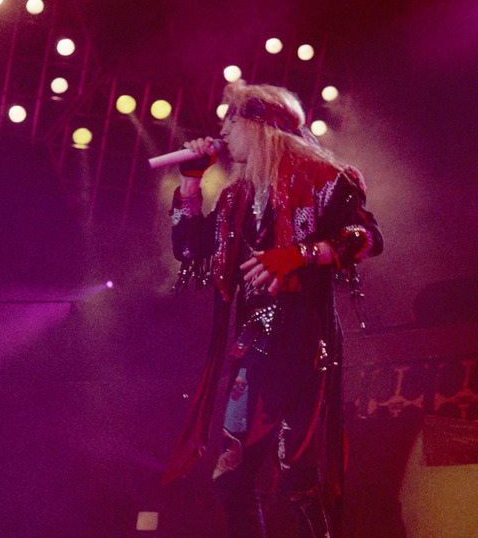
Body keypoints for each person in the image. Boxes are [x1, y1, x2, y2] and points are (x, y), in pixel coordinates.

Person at [162, 80, 382, 538]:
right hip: (255, 348)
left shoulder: (325, 179)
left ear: (260, 126)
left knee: (297, 472)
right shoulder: (234, 198)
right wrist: (190, 181)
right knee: (232, 477)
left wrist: (298, 255)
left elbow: (366, 238)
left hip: (304, 344)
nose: (222, 130)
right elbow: (189, 247)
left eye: (231, 119)